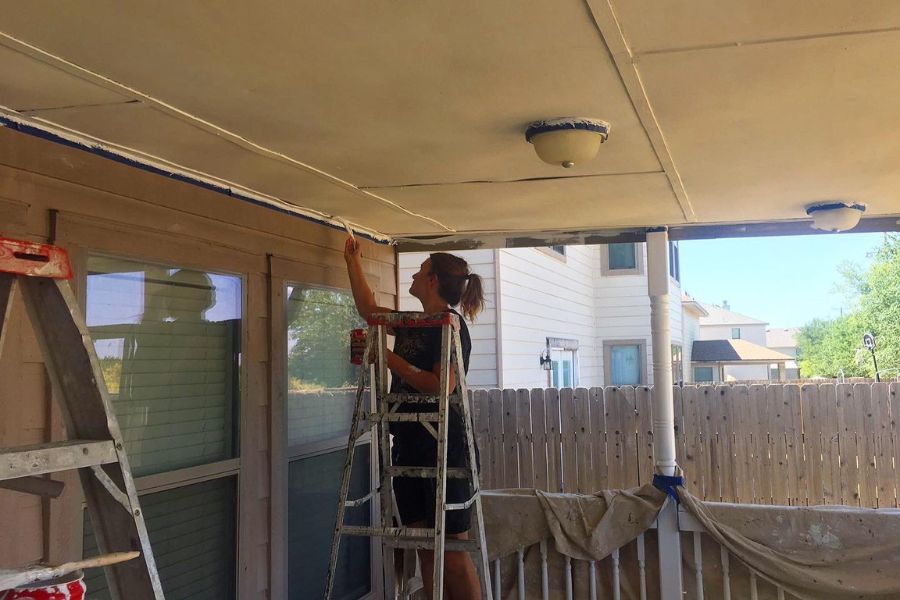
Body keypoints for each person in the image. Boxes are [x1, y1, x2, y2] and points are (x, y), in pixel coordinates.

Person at [344, 237, 485, 600]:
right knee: (423, 546)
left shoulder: (449, 325)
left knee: (451, 553)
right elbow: (370, 310)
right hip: (409, 446)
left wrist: (387, 357)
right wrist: (352, 260)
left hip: (446, 451)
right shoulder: (413, 322)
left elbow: (441, 386)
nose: (414, 274)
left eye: (421, 270)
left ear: (434, 280)